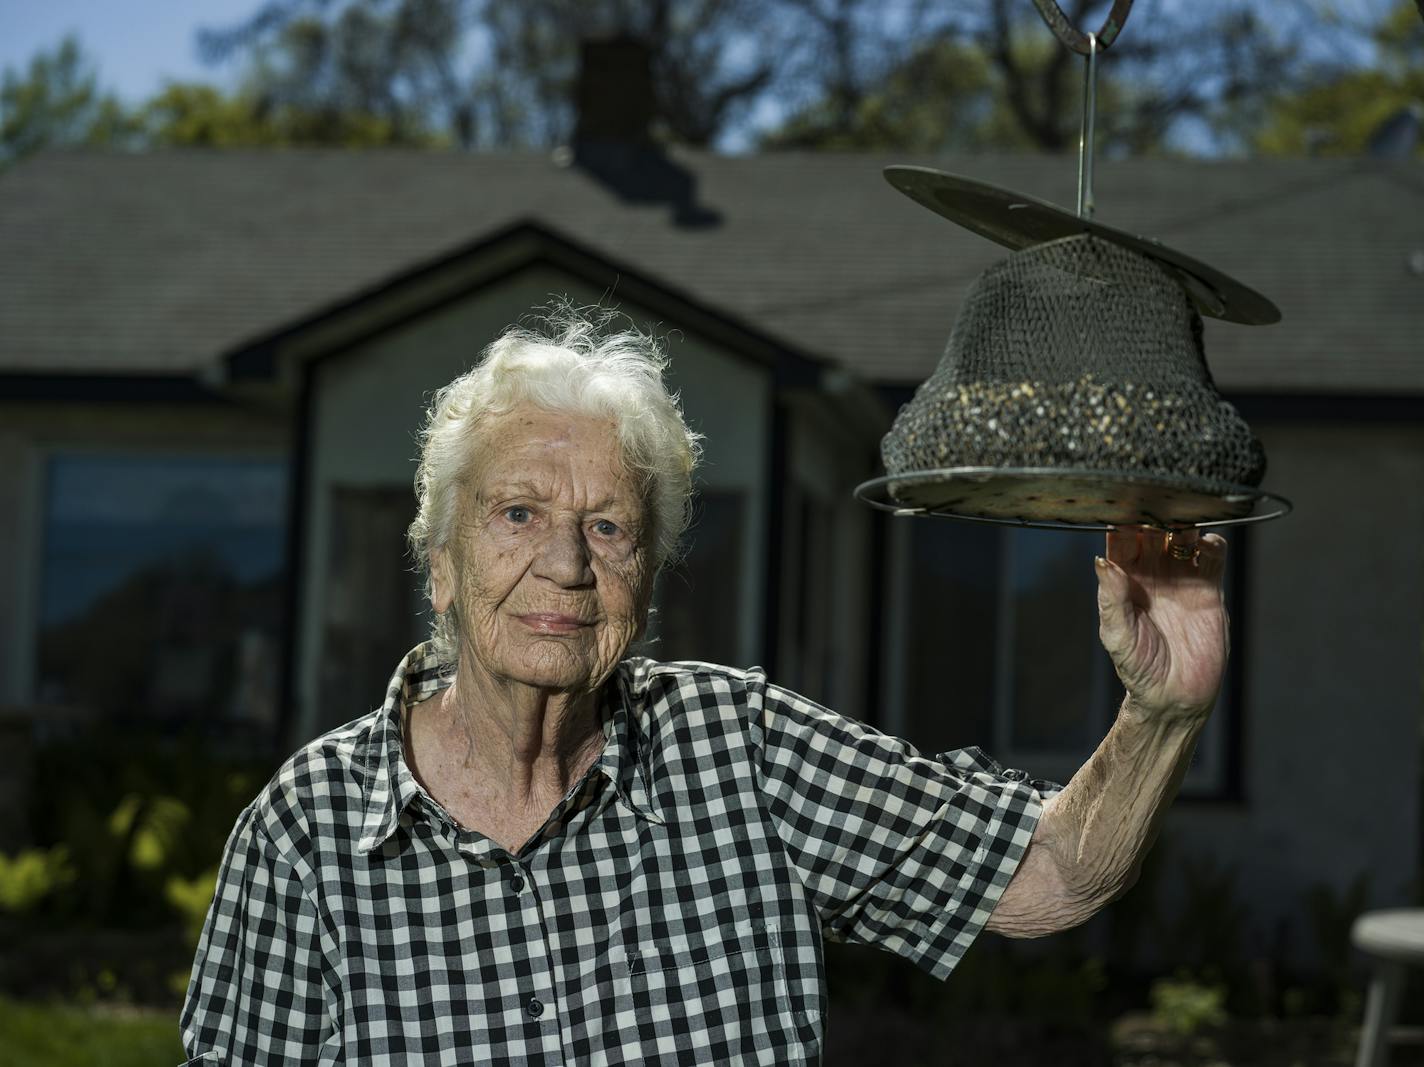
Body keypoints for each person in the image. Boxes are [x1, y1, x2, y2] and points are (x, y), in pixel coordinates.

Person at [179, 304, 1229, 1065]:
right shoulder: (307, 834)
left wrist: (1161, 707)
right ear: (440, 562)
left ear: (646, 573)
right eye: (516, 514)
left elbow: (1052, 875)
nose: (566, 563)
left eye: (608, 526)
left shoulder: (740, 746)